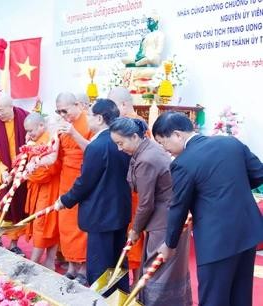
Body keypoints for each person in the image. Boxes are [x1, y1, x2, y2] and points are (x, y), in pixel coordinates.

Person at [153, 111, 263, 306]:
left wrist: (170, 244)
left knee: (214, 298)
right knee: (241, 295)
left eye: (163, 143)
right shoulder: (230, 143)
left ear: (178, 134)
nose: (165, 150)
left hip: (216, 240)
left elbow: (178, 207)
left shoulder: (183, 163)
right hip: (247, 232)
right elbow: (259, 174)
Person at [109, 117, 192, 305]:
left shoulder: (147, 158)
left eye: (121, 143)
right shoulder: (148, 148)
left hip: (164, 221)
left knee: (158, 271)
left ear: (134, 136)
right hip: (169, 217)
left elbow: (146, 203)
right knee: (167, 269)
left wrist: (135, 230)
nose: (120, 149)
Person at [54, 99, 131, 290]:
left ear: (99, 118)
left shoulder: (98, 146)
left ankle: (102, 299)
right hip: (119, 211)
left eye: (89, 115)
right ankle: (120, 297)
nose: (86, 118)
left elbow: (85, 182)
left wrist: (65, 200)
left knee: (99, 266)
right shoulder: (122, 140)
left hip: (100, 214)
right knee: (117, 261)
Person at [108, 86, 150, 282]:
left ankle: (136, 282)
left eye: (114, 105)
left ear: (124, 104)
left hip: (137, 193)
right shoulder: (124, 126)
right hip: (126, 191)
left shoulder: (136, 126)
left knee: (136, 241)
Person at [53, 92, 92, 282]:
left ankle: (84, 269)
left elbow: (93, 152)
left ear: (77, 105)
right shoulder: (61, 124)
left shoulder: (89, 122)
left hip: (84, 177)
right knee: (66, 223)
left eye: (65, 110)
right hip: (66, 177)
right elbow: (57, 154)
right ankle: (71, 265)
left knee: (81, 223)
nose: (62, 115)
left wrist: (73, 133)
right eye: (58, 111)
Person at [0, 93, 29, 255]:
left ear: (11, 106)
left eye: (2, 110)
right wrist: (2, 171)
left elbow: (36, 142)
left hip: (24, 175)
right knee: (1, 206)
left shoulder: (26, 119)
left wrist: (24, 166)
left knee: (20, 209)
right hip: (4, 175)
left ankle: (14, 243)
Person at [23, 113, 60, 270]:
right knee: (47, 223)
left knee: (43, 223)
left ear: (41, 126)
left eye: (31, 130)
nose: (29, 134)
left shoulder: (50, 139)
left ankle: (35, 260)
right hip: (40, 187)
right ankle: (50, 260)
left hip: (49, 186)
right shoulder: (36, 140)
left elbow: (50, 167)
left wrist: (29, 174)